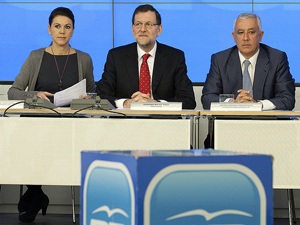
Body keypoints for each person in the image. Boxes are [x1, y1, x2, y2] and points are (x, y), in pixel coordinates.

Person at [7, 7, 95, 222]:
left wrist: (86, 99)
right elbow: (13, 91)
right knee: (15, 146)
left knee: (43, 143)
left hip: (68, 126)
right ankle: (37, 194)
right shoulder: (36, 56)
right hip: (35, 124)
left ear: (73, 31)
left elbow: (93, 94)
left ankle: (34, 195)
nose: (62, 31)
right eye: (57, 26)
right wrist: (35, 94)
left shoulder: (84, 59)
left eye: (67, 27)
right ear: (49, 29)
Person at [96, 4, 196, 109]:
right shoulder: (116, 56)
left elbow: (188, 100)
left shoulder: (175, 57)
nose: (142, 29)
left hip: (162, 122)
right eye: (138, 24)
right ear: (132, 29)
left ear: (159, 29)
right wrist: (126, 103)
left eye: (149, 24)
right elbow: (101, 96)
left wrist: (156, 104)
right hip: (125, 121)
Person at [201, 13, 295, 111]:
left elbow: (287, 99)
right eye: (240, 32)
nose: (246, 38)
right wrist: (232, 103)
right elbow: (207, 98)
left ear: (261, 35)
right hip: (229, 123)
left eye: (251, 32)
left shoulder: (277, 58)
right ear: (234, 37)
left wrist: (257, 105)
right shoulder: (220, 60)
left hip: (265, 124)